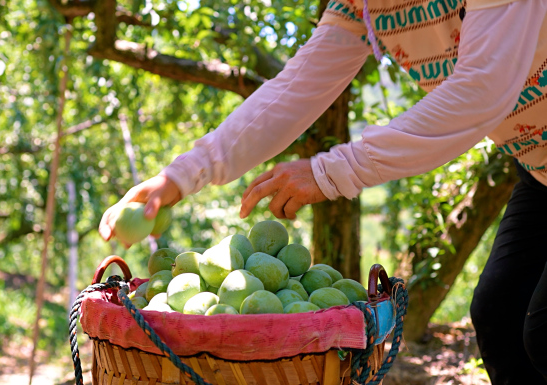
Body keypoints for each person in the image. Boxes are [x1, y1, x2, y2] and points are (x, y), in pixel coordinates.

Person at [99, 0, 547, 383]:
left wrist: (334, 171)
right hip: (539, 168)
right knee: (501, 316)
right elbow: (298, 86)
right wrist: (181, 176)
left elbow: (481, 90)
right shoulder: (363, 5)